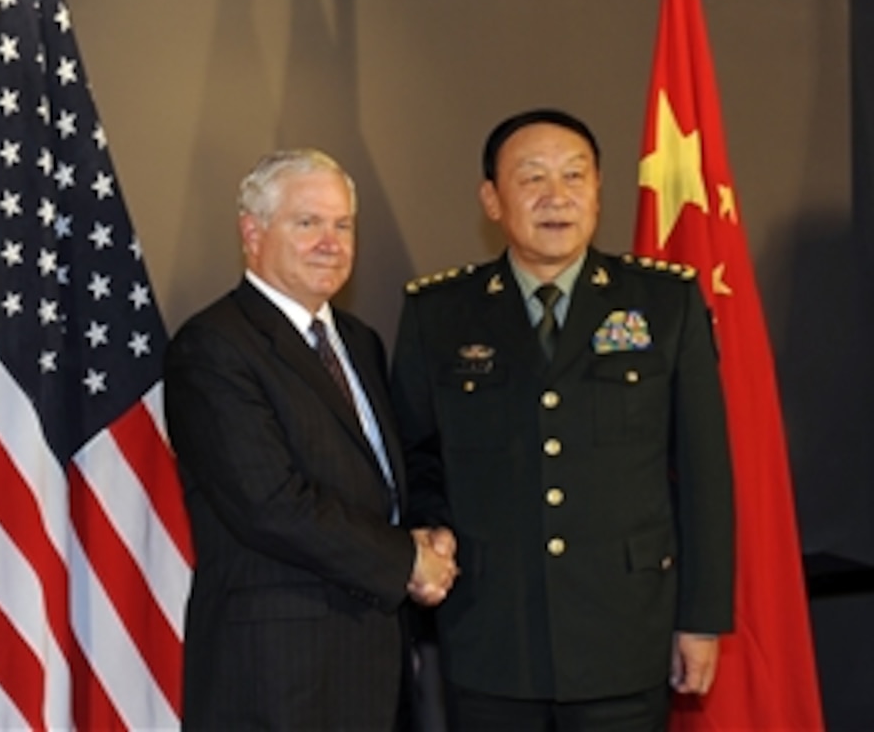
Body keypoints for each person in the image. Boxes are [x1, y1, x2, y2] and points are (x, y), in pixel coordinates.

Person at [390, 109, 734, 731]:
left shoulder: (664, 302)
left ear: (600, 192)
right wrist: (429, 529)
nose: (558, 197)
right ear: (491, 200)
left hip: (624, 633)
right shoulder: (439, 314)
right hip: (491, 634)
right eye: (532, 179)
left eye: (575, 176)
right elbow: (414, 456)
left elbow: (705, 472)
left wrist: (701, 618)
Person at [164, 148, 458, 731]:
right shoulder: (213, 347)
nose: (331, 241)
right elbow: (268, 503)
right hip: (278, 677)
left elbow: (379, 480)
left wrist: (427, 529)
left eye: (343, 224)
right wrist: (405, 560)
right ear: (253, 232)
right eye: (308, 223)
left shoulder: (359, 341)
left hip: (373, 666)